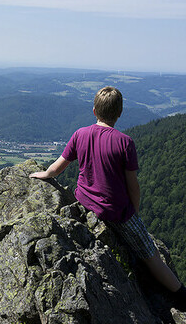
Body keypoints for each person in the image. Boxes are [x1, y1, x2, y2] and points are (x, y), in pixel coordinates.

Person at [29, 86, 186, 311]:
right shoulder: (124, 142)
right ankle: (181, 296)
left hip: (84, 201)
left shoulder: (80, 134)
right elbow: (133, 185)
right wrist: (134, 212)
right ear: (120, 113)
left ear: (94, 110)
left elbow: (57, 167)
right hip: (116, 211)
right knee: (152, 255)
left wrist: (43, 174)